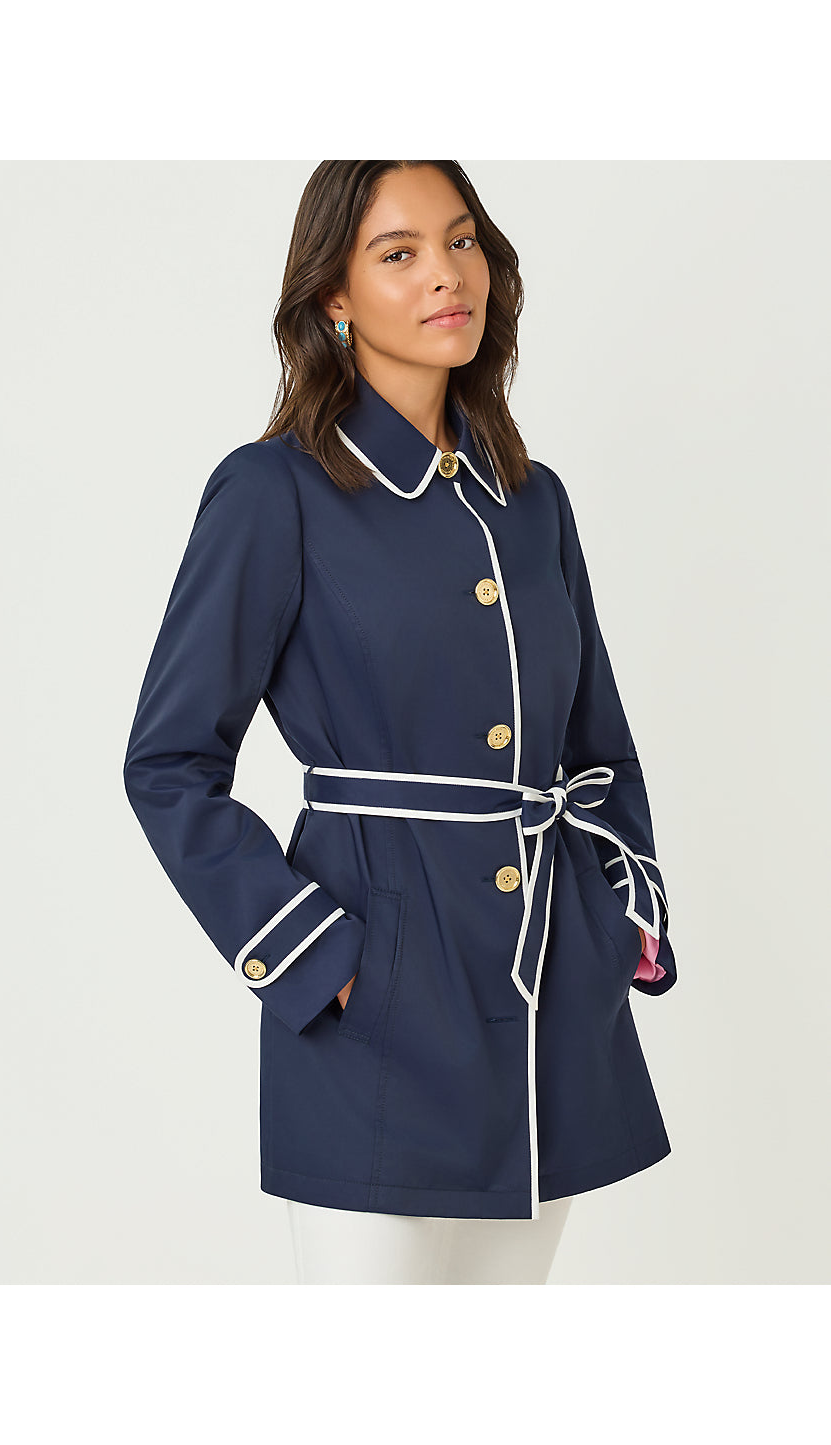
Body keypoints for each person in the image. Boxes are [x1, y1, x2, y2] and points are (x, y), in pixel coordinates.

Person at [123, 160, 677, 1286]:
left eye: (461, 241)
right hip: (374, 1018)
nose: (445, 274)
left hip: (548, 1008)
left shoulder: (533, 500)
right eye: (399, 252)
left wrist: (623, 915)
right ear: (333, 293)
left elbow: (597, 744)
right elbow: (168, 761)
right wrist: (318, 959)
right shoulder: (272, 492)